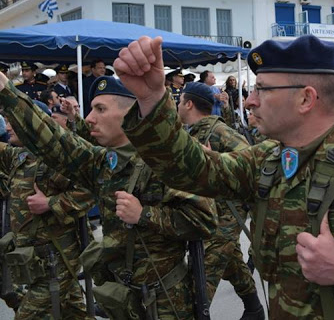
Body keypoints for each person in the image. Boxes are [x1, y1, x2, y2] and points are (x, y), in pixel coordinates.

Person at [114, 34, 334, 318]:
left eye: (262, 89)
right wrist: (151, 98)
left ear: (305, 99)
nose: (250, 101)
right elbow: (192, 170)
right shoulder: (267, 159)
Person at [0, 74, 217, 319]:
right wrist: (6, 91)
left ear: (129, 112)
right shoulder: (104, 162)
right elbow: (53, 141)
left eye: (100, 109)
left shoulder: (164, 159)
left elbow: (206, 221)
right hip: (123, 299)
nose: (90, 118)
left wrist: (144, 214)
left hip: (166, 302)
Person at [178, 82, 264, 319]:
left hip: (226, 214)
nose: (177, 106)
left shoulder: (219, 131)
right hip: (207, 212)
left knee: (202, 273)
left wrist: (215, 160)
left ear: (189, 104)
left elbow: (251, 164)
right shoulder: (192, 132)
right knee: (232, 262)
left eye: (179, 101)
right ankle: (254, 309)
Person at [0, 106, 93, 318]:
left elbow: (90, 190)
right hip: (35, 259)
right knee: (74, 310)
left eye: (11, 121)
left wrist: (51, 203)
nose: (7, 127)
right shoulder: (20, 157)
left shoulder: (55, 162)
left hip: (56, 257)